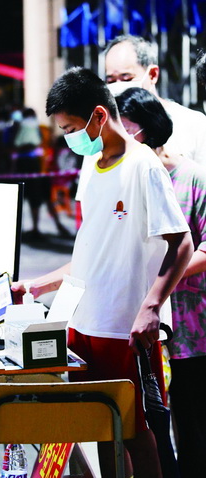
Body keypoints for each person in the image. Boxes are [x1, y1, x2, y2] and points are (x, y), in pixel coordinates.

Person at [12, 67, 193, 478]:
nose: (68, 138)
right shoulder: (90, 164)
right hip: (83, 322)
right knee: (101, 428)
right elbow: (91, 251)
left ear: (98, 115)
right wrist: (37, 286)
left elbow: (180, 243)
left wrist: (151, 307)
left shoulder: (143, 166)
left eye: (70, 128)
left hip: (124, 328)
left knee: (137, 433)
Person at [116, 87, 206, 478]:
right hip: (144, 331)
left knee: (194, 428)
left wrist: (158, 278)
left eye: (126, 129)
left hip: (191, 329)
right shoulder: (129, 178)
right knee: (153, 427)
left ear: (148, 129)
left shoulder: (194, 178)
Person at [104, 34, 206, 165]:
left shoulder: (194, 124)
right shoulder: (105, 128)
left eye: (127, 78)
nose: (119, 86)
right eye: (111, 81)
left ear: (152, 75)